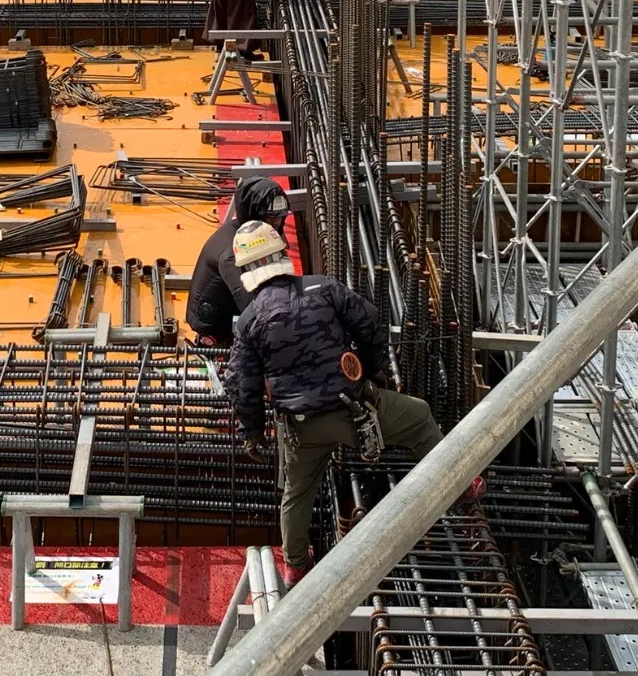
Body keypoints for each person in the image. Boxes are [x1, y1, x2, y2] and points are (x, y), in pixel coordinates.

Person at [226, 220, 450, 583]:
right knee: (420, 417)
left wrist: (252, 433)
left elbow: (241, 383)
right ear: (282, 254)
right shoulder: (322, 288)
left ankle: (296, 567)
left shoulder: (249, 321)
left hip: (302, 428)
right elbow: (368, 322)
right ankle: (460, 485)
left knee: (297, 497)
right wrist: (375, 369)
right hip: (355, 409)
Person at [185, 177, 292, 346]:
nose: (275, 225)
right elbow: (246, 297)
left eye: (279, 218)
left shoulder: (254, 233)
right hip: (217, 328)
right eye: (270, 219)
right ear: (253, 214)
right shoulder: (232, 251)